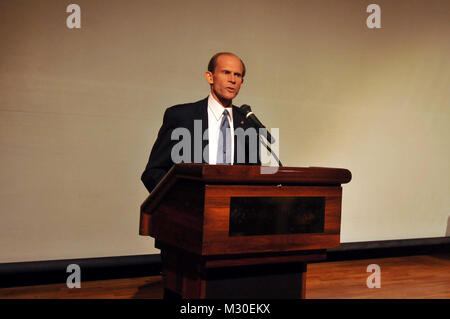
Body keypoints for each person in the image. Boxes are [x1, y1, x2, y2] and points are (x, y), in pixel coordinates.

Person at [141, 52, 261, 193]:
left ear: (242, 82)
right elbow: (154, 171)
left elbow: (255, 178)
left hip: (234, 212)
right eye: (226, 72)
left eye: (237, 75)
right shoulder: (181, 116)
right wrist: (178, 202)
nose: (232, 79)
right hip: (187, 210)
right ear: (210, 77)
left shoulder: (248, 124)